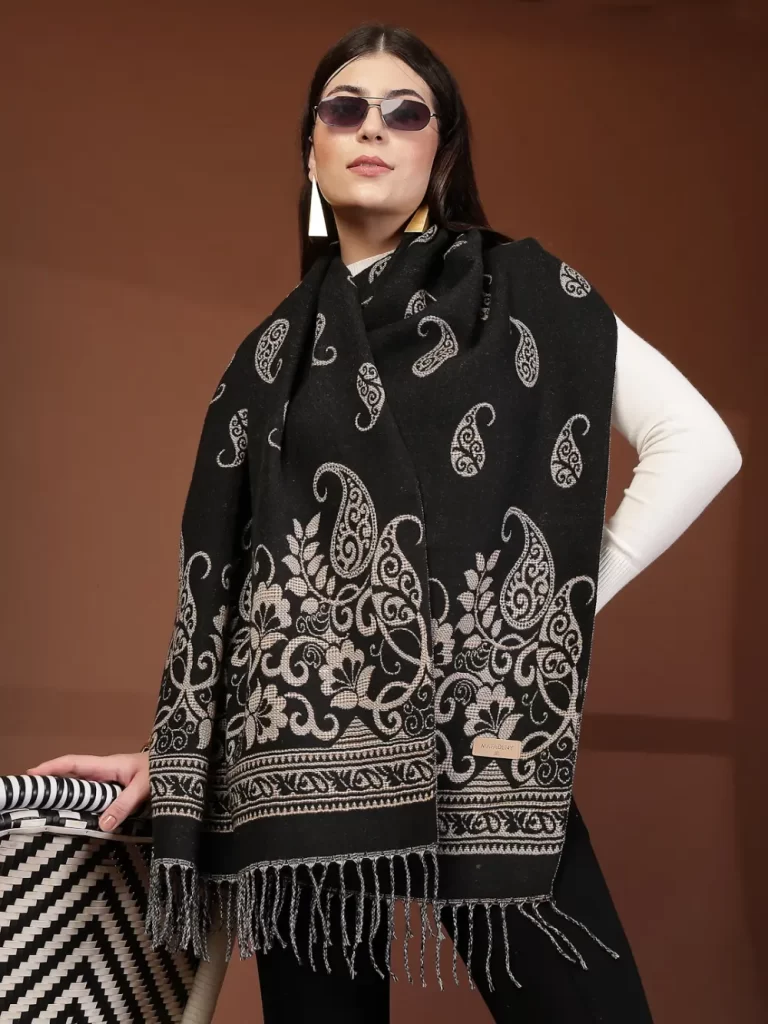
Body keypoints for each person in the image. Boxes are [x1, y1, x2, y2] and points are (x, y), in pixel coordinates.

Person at [26, 22, 742, 1024]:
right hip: (294, 771)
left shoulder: (522, 292)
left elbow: (700, 444)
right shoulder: (266, 359)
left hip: (480, 741)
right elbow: (249, 597)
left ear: (440, 152)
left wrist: (542, 622)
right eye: (346, 108)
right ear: (310, 147)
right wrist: (177, 761)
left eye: (407, 112)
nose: (374, 127)